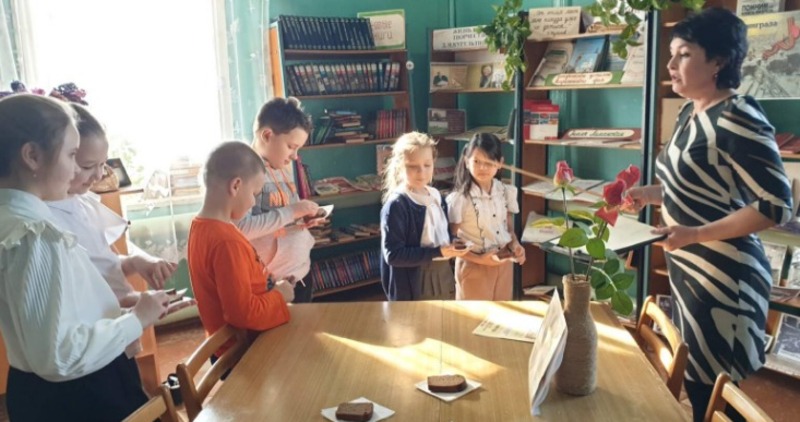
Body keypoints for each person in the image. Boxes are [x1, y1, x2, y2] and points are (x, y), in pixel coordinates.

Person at [623, 8, 793, 422]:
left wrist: (696, 233)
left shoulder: (738, 115)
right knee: (698, 383)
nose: (670, 64)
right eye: (672, 53)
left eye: (683, 54)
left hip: (725, 279)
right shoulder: (690, 111)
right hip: (690, 272)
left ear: (718, 61)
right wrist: (648, 195)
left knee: (716, 395)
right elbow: (692, 186)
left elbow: (776, 204)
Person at [0, 94, 171, 421]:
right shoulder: (36, 234)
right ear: (32, 156)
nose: (76, 169)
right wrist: (136, 319)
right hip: (80, 393)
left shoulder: (14, 222)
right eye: (72, 155)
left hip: (46, 388)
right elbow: (59, 356)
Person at [47, 104, 179, 309]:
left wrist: (136, 262)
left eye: (103, 164)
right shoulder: (45, 223)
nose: (99, 175)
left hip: (122, 320)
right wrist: (131, 308)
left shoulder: (85, 203)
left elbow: (106, 266)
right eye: (87, 166)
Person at [188, 141, 293, 351]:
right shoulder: (226, 241)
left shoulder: (201, 227)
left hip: (231, 345)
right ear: (236, 185)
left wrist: (269, 284)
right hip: (245, 351)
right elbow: (243, 314)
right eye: (254, 193)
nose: (253, 202)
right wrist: (280, 297)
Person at [237, 97, 322, 303]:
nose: (295, 156)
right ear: (267, 135)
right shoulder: (244, 172)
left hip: (300, 273)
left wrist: (302, 217)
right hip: (273, 284)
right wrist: (292, 212)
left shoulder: (280, 167)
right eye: (291, 146)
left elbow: (285, 216)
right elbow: (240, 229)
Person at [380, 131, 468, 300]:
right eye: (413, 166)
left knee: (445, 315)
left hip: (443, 273)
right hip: (416, 280)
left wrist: (453, 242)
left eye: (427, 165)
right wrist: (436, 252)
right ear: (399, 166)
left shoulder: (436, 195)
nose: (421, 172)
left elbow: (439, 233)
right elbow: (393, 255)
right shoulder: (398, 205)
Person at [446, 133, 525, 300]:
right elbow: (451, 243)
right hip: (473, 266)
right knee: (475, 316)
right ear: (466, 162)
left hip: (503, 262)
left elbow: (509, 229)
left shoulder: (505, 191)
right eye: (476, 161)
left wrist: (516, 245)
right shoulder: (460, 199)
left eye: (489, 162)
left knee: (502, 313)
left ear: (500, 163)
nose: (482, 168)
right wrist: (481, 259)